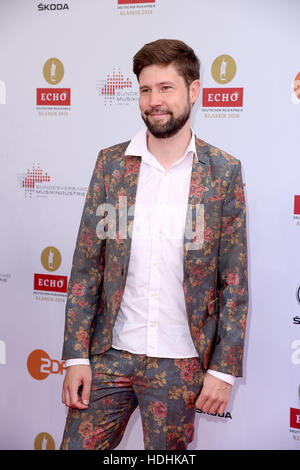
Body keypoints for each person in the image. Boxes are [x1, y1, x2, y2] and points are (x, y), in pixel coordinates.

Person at [60, 39, 248, 450]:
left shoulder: (222, 172)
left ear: (193, 92)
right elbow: (87, 265)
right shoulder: (111, 165)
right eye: (145, 90)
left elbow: (233, 280)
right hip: (109, 356)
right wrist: (76, 356)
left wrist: (224, 369)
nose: (154, 101)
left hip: (181, 363)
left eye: (166, 88)